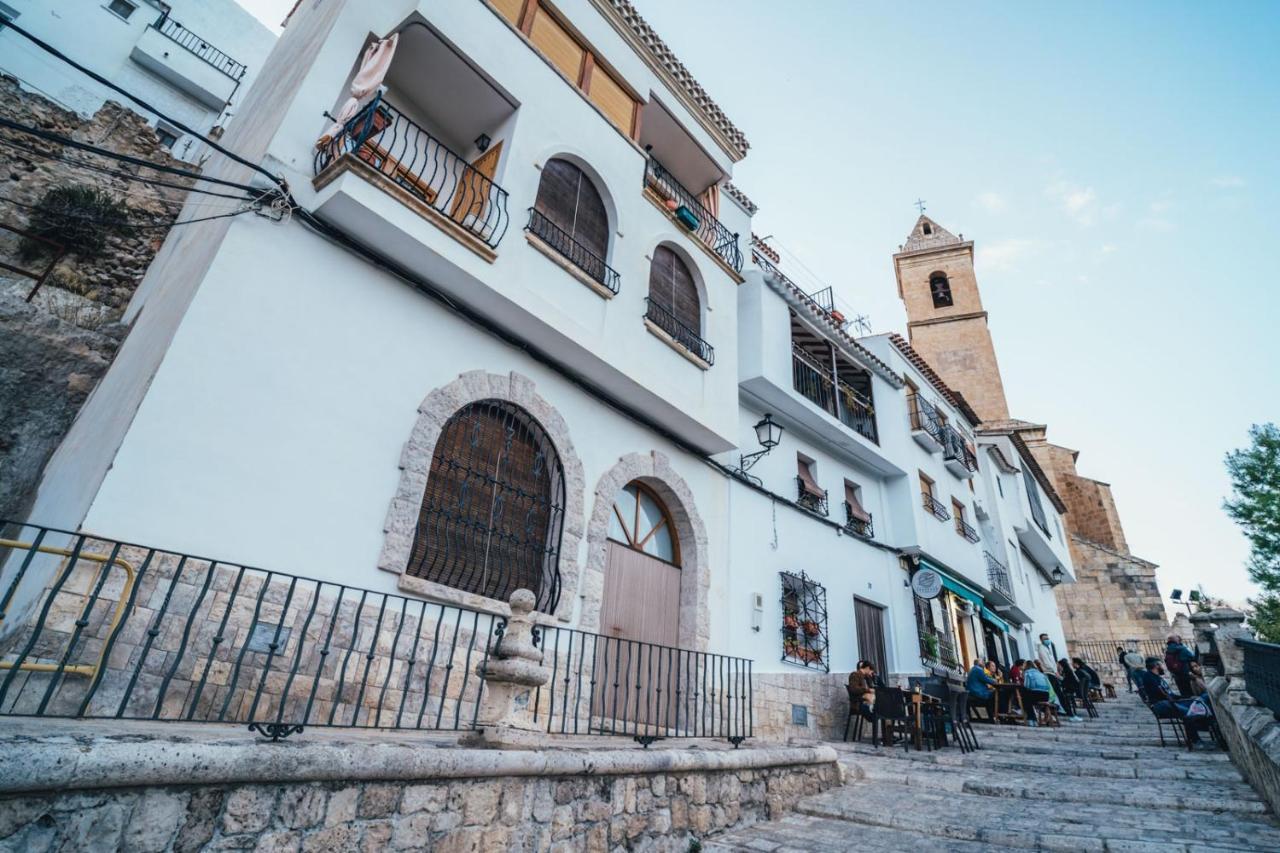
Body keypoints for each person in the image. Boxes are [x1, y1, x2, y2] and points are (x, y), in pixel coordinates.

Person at [1139, 657, 1213, 748]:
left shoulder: (1158, 678)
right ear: (1156, 665)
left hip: (1170, 702)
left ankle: (1204, 726)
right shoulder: (1149, 677)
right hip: (1162, 704)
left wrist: (1187, 697)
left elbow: (1171, 694)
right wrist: (1178, 700)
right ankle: (1196, 740)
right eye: (1161, 665)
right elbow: (1162, 694)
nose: (1163, 667)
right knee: (1189, 713)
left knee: (1203, 697)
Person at [847, 659, 877, 724]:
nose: (871, 674)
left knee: (885, 710)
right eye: (871, 672)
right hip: (859, 703)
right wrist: (867, 690)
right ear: (868, 668)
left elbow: (872, 687)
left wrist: (870, 679)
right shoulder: (854, 675)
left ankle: (888, 729)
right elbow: (853, 689)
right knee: (878, 714)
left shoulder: (866, 678)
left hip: (867, 702)